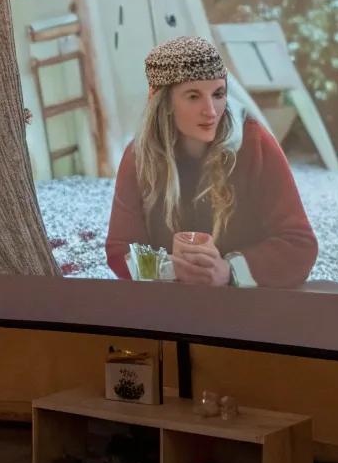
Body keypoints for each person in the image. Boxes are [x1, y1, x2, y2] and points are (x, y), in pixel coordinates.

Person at [105, 34, 317, 287]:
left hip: (246, 307)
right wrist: (169, 269)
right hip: (169, 308)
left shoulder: (255, 144)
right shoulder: (140, 156)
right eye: (193, 96)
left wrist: (229, 271)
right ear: (164, 101)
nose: (211, 110)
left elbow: (299, 244)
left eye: (218, 94)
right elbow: (120, 249)